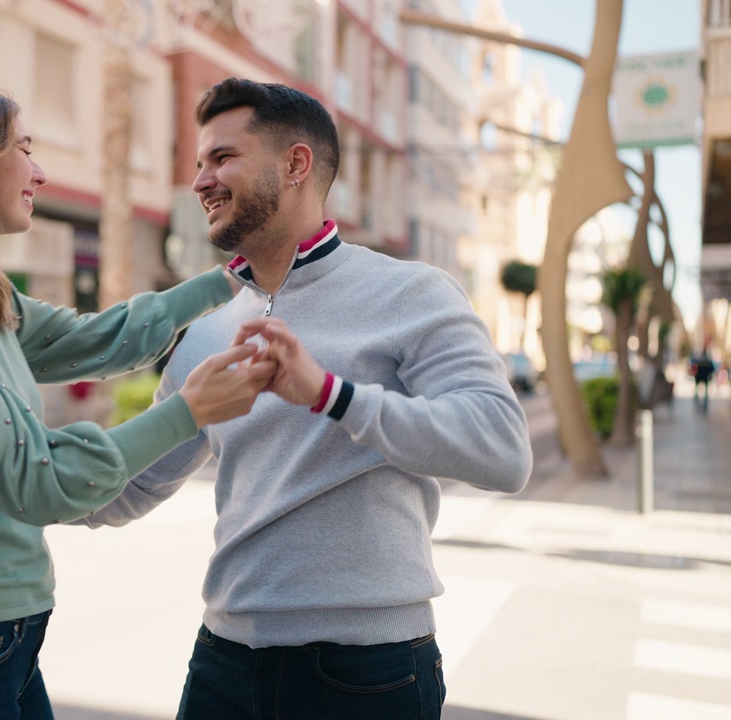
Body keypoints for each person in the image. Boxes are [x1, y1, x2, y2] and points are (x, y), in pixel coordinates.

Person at [81, 78, 533, 719]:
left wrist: (329, 393)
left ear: (296, 164)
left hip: (367, 672)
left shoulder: (412, 293)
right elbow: (136, 485)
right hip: (223, 662)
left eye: (223, 158)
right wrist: (7, 478)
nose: (201, 180)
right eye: (200, 162)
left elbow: (504, 451)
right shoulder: (208, 323)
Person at [0, 80, 276, 720]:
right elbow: (34, 482)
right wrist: (188, 412)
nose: (39, 171)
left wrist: (231, 274)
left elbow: (100, 341)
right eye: (23, 148)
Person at [692, 346, 716, 413]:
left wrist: (695, 374)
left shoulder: (698, 360)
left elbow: (693, 368)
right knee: (705, 393)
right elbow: (712, 369)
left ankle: (697, 404)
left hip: (698, 377)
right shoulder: (708, 361)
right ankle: (704, 405)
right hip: (705, 378)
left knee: (697, 391)